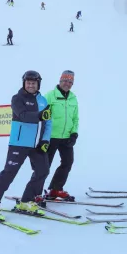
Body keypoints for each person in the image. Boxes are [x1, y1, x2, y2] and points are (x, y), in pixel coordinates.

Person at [0, 71, 52, 220]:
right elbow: (23, 115)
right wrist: (39, 116)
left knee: (43, 171)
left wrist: (45, 140)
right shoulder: (17, 99)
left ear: (38, 84)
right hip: (19, 144)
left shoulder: (43, 101)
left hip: (37, 145)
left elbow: (48, 123)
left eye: (33, 83)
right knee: (9, 173)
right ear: (24, 83)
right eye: (28, 82)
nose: (31, 85)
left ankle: (27, 201)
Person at [44, 71, 79, 201]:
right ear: (60, 81)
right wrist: (43, 137)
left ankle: (56, 189)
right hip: (51, 137)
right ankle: (35, 193)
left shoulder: (73, 98)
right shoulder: (50, 96)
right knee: (44, 166)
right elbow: (42, 117)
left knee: (67, 162)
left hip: (66, 137)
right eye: (65, 81)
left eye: (70, 82)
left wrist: (74, 133)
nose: (67, 84)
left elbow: (75, 118)